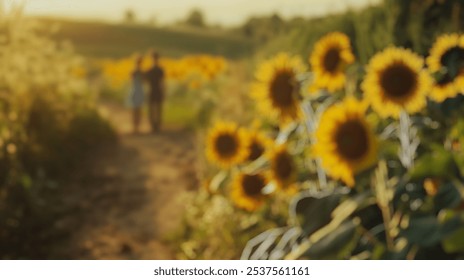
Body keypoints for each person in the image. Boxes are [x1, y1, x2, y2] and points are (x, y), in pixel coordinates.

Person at [144, 51, 165, 132]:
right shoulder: (154, 70)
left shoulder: (154, 70)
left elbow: (162, 82)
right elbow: (162, 82)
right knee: (154, 108)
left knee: (156, 108)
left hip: (154, 89)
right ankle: (154, 125)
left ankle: (155, 125)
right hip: (153, 90)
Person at [127, 56, 144, 134]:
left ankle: (135, 126)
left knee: (134, 109)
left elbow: (130, 81)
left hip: (135, 90)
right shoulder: (141, 72)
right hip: (139, 90)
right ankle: (137, 126)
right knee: (138, 109)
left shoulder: (133, 71)